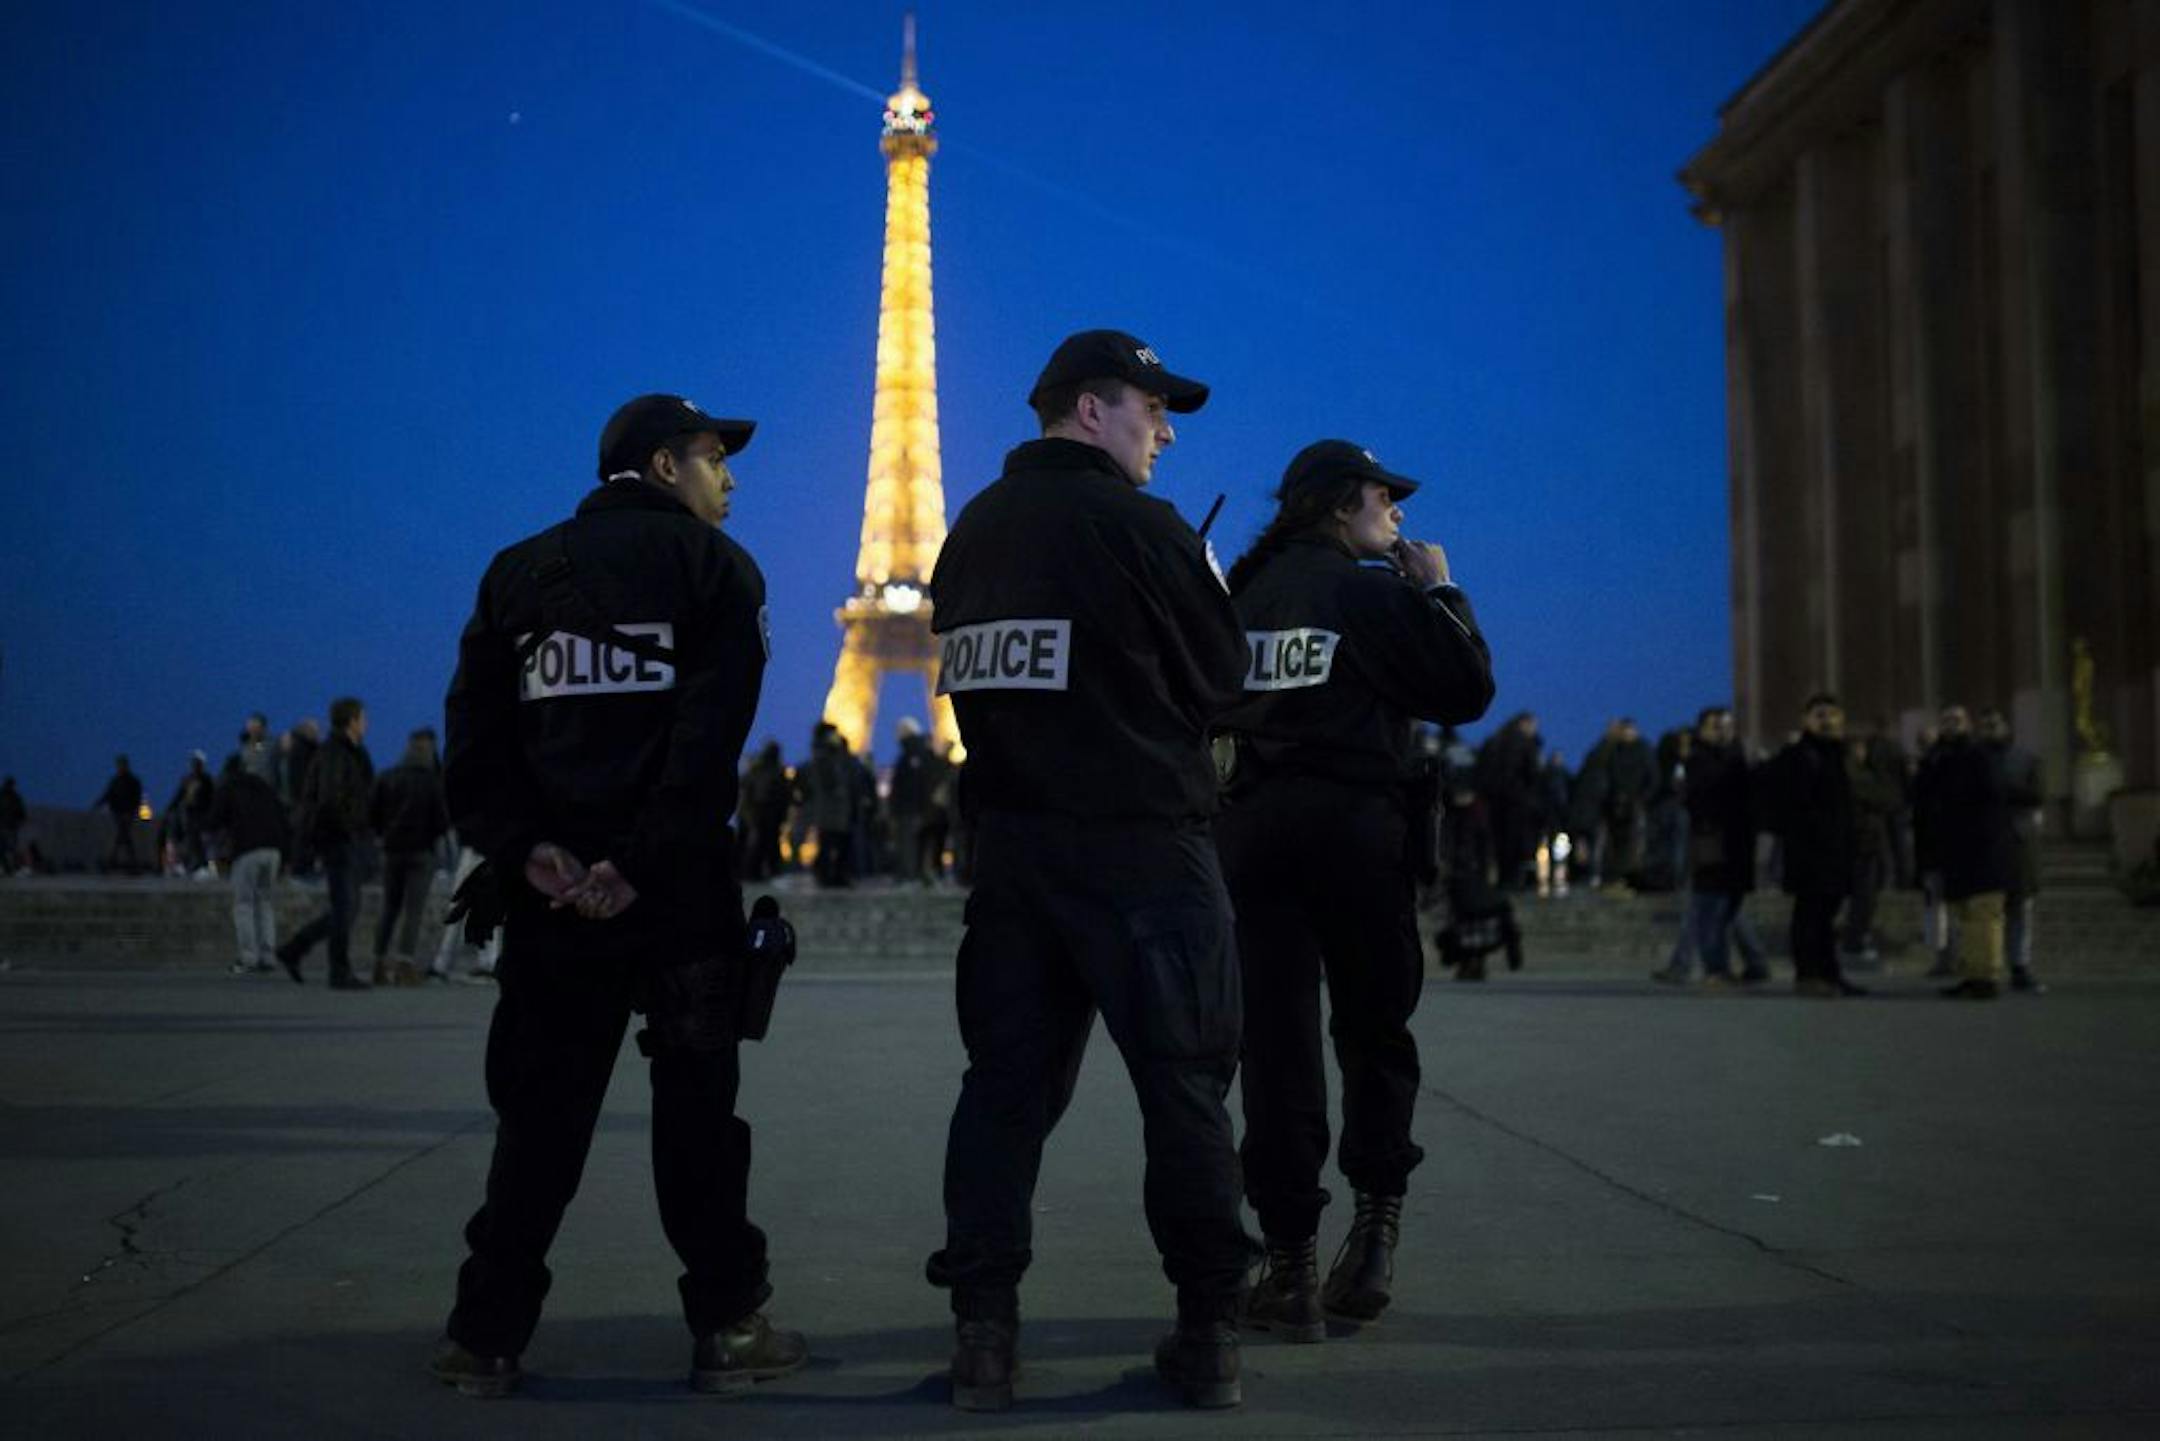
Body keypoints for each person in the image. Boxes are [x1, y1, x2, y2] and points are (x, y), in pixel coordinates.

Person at [430, 392, 803, 1399]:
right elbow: (707, 744)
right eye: (717, 459)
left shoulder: (517, 574)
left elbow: (475, 743)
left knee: (539, 1122)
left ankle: (484, 1334)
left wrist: (529, 851)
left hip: (552, 902)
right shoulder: (716, 570)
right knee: (696, 1117)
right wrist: (639, 860)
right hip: (674, 895)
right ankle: (727, 1322)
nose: (730, 479)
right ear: (667, 465)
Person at [925, 329, 1256, 1411]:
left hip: (1015, 854)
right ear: (1085, 409)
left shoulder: (968, 534)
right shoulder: (1145, 529)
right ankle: (1209, 1328)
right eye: (1150, 407)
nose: (1164, 429)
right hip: (1145, 849)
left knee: (1003, 1094)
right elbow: (1223, 678)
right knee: (1185, 1086)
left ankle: (983, 1334)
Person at [1210, 439, 1493, 1339]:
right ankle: (1372, 1233)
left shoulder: (1243, 598)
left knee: (1277, 1047)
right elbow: (1466, 687)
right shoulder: (1370, 594)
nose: (1398, 511)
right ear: (1341, 507)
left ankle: (1288, 1263)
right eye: (1385, 495)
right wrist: (1440, 589)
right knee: (1374, 1030)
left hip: (1255, 832)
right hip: (1361, 829)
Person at [1759, 692, 1865, 998]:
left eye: (1832, 715)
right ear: (1806, 720)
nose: (1827, 720)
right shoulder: (1799, 755)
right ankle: (1808, 975)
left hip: (1838, 849)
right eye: (1819, 715)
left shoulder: (1840, 754)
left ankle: (1830, 974)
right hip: (1810, 851)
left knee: (1827, 915)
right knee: (1810, 914)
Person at [1917, 704, 2017, 999]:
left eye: (1957, 720)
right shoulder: (1942, 758)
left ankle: (1985, 977)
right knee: (1965, 916)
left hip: (1984, 849)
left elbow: (1991, 796)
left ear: (1968, 724)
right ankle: (1972, 974)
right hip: (1958, 851)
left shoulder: (1979, 755)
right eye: (1946, 720)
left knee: (1983, 914)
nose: (1951, 726)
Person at [276, 697, 375, 989]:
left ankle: (295, 949)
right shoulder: (335, 752)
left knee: (345, 907)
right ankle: (337, 971)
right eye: (363, 718)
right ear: (352, 721)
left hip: (345, 837)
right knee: (345, 907)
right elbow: (330, 798)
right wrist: (349, 828)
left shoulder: (351, 752)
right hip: (338, 838)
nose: (366, 724)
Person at [370, 727, 452, 985]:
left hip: (392, 850)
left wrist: (384, 833)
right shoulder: (431, 781)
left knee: (389, 907)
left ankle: (379, 962)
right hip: (421, 852)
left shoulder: (387, 776)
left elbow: (372, 813)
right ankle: (404, 965)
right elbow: (441, 821)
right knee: (413, 910)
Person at [1979, 708, 2046, 992]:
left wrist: (2001, 788)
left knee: (2020, 906)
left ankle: (2020, 965)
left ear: (2006, 726)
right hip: (1984, 840)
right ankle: (1986, 966)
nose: (1989, 731)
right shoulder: (1974, 759)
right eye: (1984, 726)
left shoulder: (2026, 759)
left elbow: (2037, 795)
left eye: (1994, 725)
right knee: (1985, 907)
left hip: (2017, 839)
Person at [207, 755, 288, 974]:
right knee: (265, 902)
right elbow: (283, 818)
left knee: (243, 903)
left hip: (247, 849)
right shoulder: (265, 789)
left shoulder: (229, 788)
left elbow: (214, 820)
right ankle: (268, 956)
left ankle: (248, 957)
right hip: (273, 850)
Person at [95, 755, 145, 872]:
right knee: (124, 837)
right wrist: (98, 804)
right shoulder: (115, 781)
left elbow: (137, 798)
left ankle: (114, 862)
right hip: (117, 812)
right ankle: (129, 863)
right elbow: (108, 794)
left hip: (128, 813)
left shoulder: (132, 781)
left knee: (123, 836)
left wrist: (134, 810)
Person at [0, 776, 26, 874]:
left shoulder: (12, 797)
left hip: (7, 826)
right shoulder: (15, 797)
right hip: (9, 826)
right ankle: (11, 868)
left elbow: (21, 813)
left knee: (6, 848)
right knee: (10, 848)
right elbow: (21, 813)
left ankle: (9, 868)